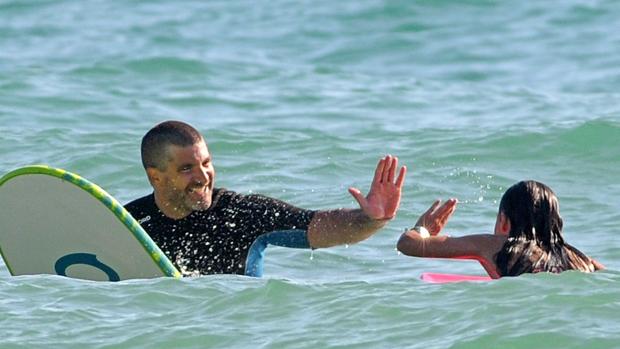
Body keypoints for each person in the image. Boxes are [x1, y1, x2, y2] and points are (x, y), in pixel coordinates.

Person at [125, 120, 407, 276]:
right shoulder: (129, 223)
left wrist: (371, 219)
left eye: (206, 163)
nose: (203, 176)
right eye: (186, 168)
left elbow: (319, 227)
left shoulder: (240, 214)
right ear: (155, 177)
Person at [397, 180, 604, 278]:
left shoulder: (495, 246)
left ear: (504, 221)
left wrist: (423, 229)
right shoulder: (581, 258)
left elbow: (407, 245)